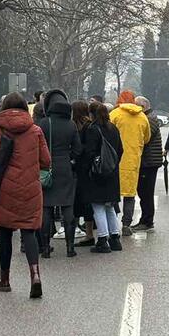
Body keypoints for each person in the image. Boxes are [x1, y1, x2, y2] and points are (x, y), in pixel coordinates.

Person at [0, 92, 51, 299]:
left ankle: (4, 280)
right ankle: (35, 275)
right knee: (29, 231)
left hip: (5, 188)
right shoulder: (36, 130)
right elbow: (46, 161)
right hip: (30, 187)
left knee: (5, 232)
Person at [36, 90, 83, 257]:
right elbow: (78, 149)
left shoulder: (43, 123)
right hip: (65, 168)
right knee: (67, 206)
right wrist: (70, 159)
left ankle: (45, 248)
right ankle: (70, 248)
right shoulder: (71, 125)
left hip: (46, 168)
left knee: (46, 207)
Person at [81, 101, 125, 253]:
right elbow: (120, 149)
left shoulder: (93, 129)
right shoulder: (113, 128)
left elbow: (89, 153)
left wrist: (87, 169)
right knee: (110, 205)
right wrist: (113, 165)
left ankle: (102, 239)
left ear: (91, 114)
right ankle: (115, 238)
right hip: (112, 172)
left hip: (97, 173)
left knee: (98, 206)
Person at [109, 90, 151, 236]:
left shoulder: (114, 114)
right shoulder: (142, 116)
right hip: (133, 160)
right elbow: (147, 138)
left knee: (112, 193)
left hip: (115, 159)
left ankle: (111, 224)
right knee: (130, 195)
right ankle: (126, 224)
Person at [134, 96, 163, 232]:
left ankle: (147, 220)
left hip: (149, 162)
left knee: (146, 193)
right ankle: (145, 219)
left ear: (143, 107)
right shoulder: (148, 117)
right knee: (144, 192)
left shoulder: (149, 118)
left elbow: (144, 138)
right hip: (149, 161)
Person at [71, 100, 96, 246]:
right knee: (86, 203)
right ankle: (87, 232)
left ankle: (77, 232)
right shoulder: (90, 125)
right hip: (86, 170)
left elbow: (82, 148)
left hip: (80, 169)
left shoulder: (78, 127)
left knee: (78, 202)